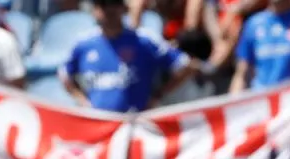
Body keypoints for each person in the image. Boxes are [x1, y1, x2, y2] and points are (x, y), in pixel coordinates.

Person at [61, 0, 197, 113]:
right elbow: (64, 75)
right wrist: (82, 101)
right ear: (95, 10)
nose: (109, 10)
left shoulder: (144, 40)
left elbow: (185, 66)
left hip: (136, 124)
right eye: (103, 5)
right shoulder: (83, 43)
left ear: (123, 8)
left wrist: (158, 95)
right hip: (99, 125)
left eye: (114, 3)